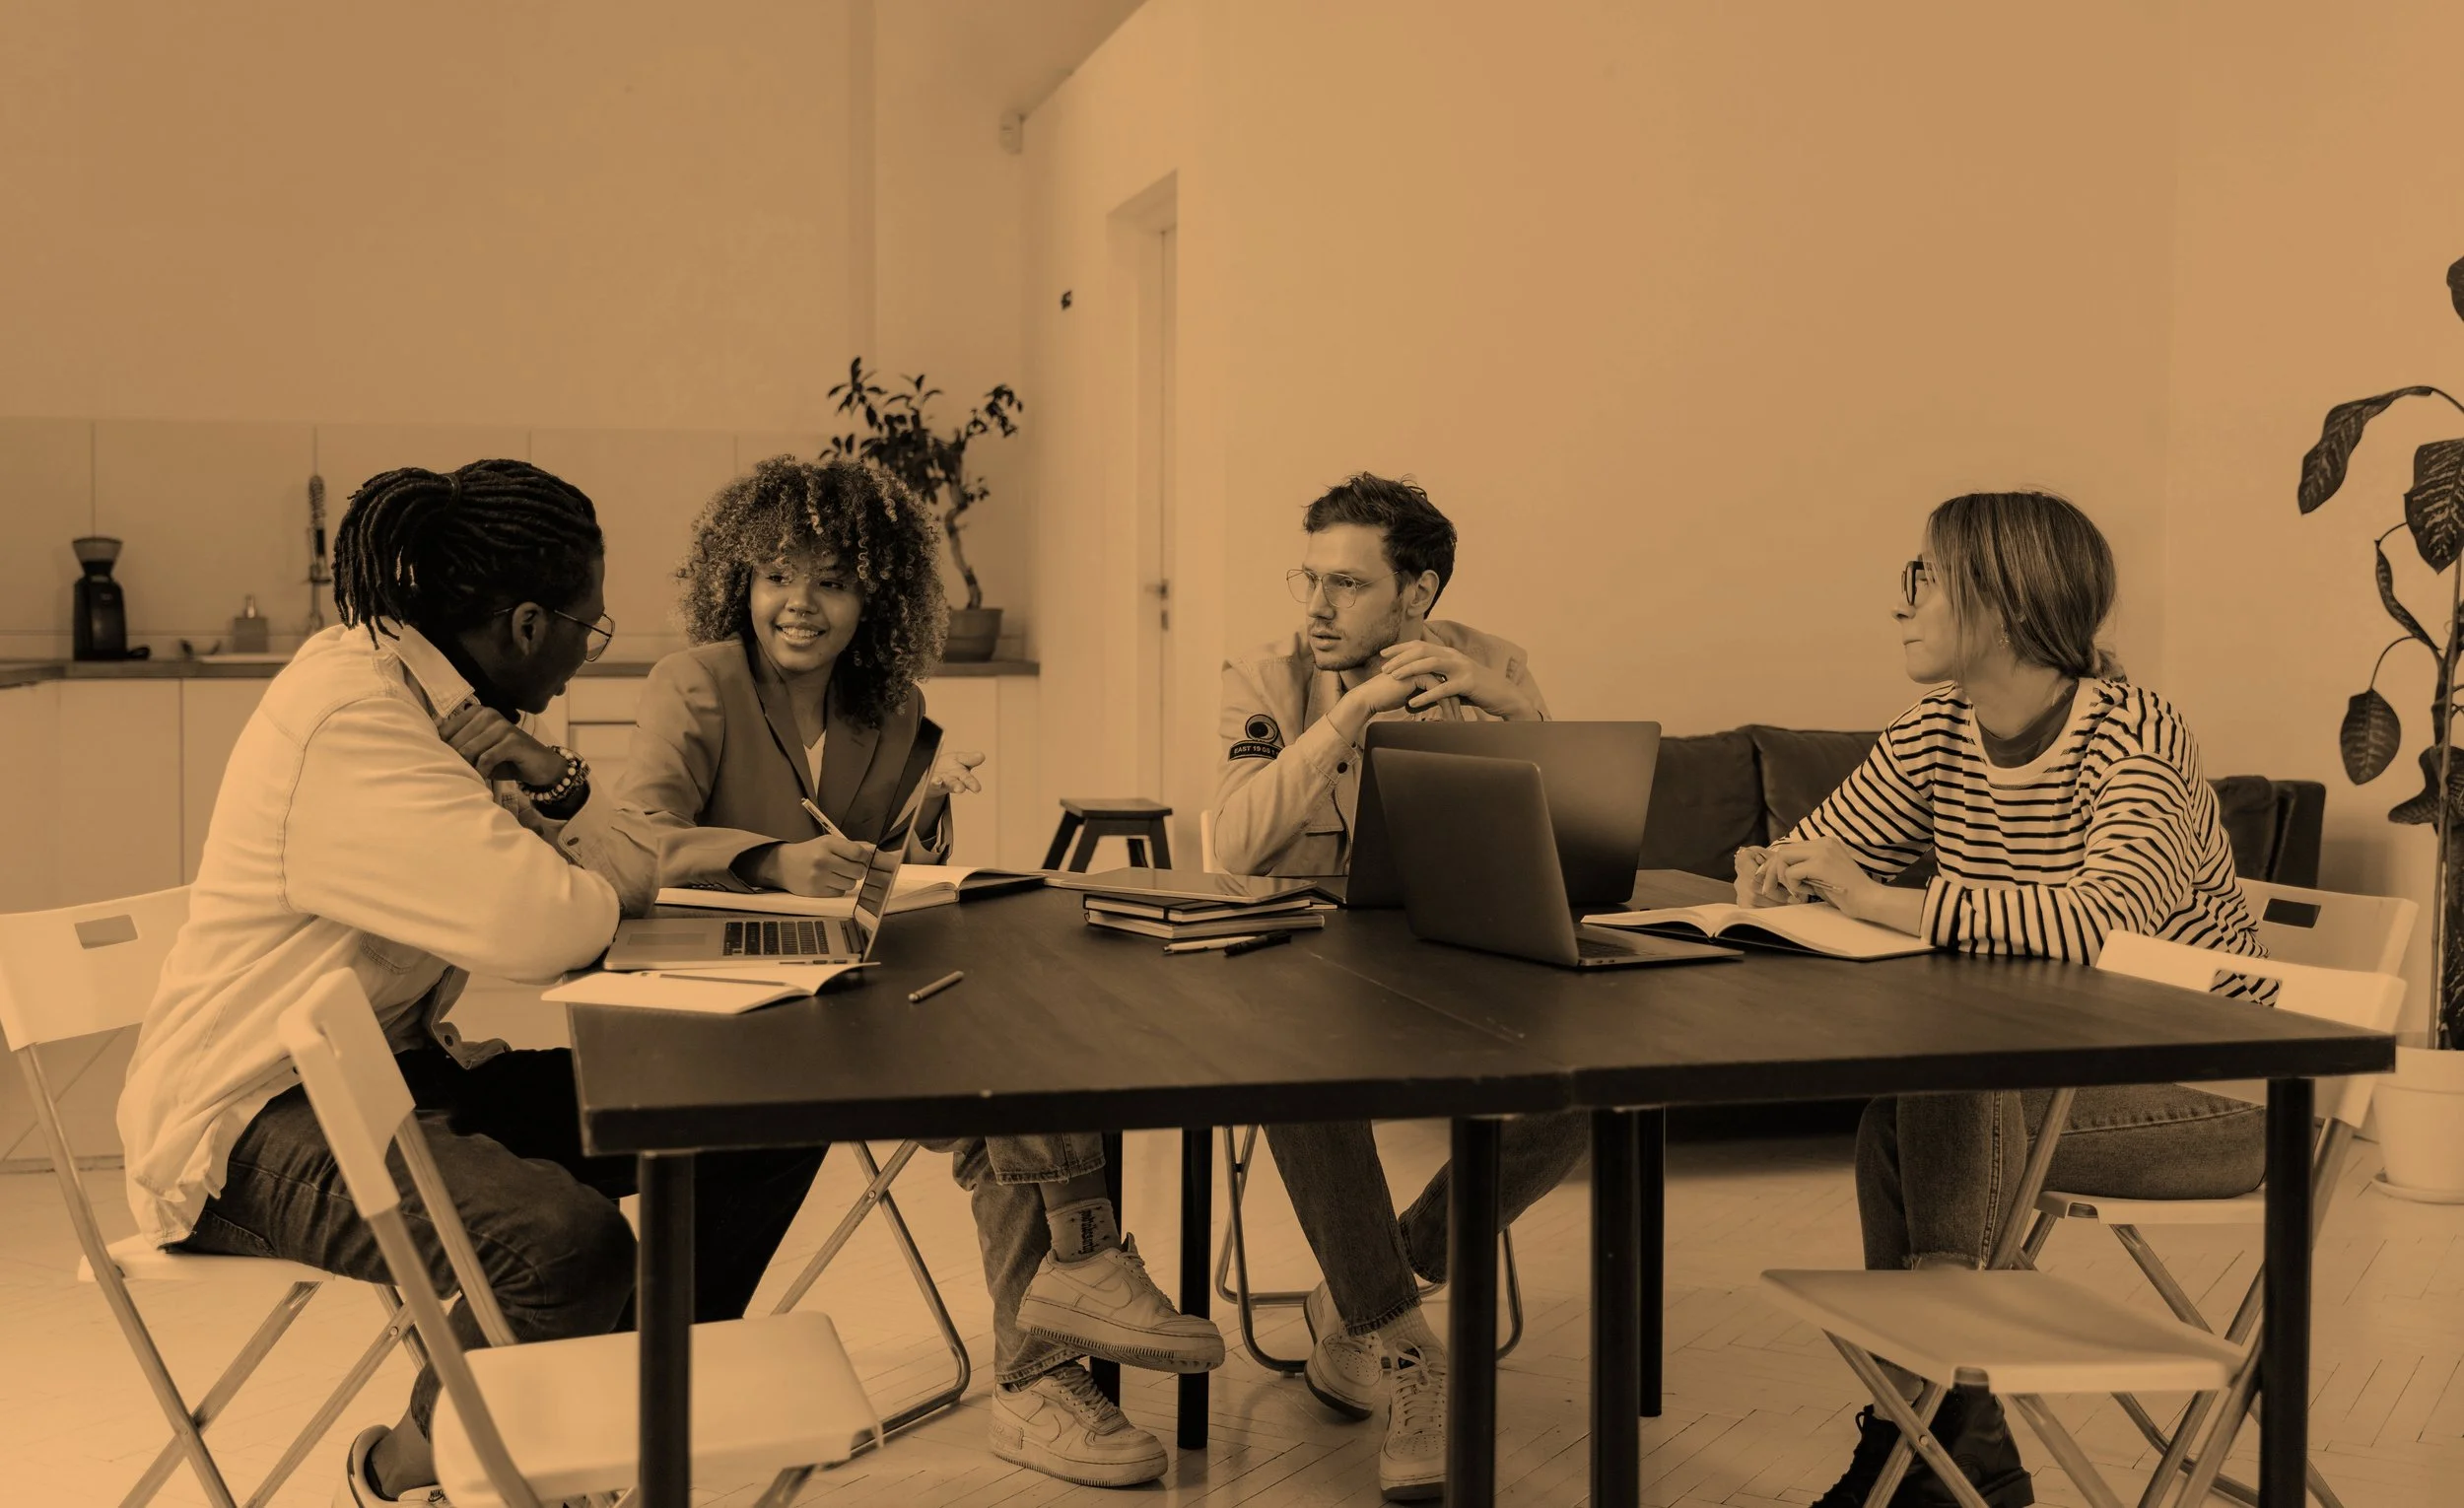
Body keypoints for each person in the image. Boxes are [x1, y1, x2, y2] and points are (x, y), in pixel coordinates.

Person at [112, 459, 827, 1508]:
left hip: (395, 1076)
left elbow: (626, 876)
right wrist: (576, 866)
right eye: (589, 628)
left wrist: (558, 784)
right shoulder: (357, 721)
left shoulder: (450, 705)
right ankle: (409, 1467)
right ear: (527, 625)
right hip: (248, 1125)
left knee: (764, 1114)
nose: (585, 655)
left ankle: (619, 1408)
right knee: (562, 1246)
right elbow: (555, 928)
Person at [621, 455, 1223, 1489]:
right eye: (776, 576)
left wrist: (924, 820)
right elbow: (637, 834)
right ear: (739, 580)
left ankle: (1043, 1366)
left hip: (842, 992)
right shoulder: (698, 682)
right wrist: (768, 862)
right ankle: (1073, 1295)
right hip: (721, 997)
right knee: (1005, 1082)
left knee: (1010, 1077)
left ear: (876, 596)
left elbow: (877, 866)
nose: (799, 604)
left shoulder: (893, 704)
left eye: (832, 581)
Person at [1741, 490, 2268, 1508]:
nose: (1901, 603)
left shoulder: (2136, 735)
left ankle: (1929, 1438)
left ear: (2008, 602)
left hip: (2216, 1092)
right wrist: (1777, 870)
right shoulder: (1940, 725)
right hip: (2056, 1072)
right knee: (1907, 1113)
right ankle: (1951, 1442)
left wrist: (1876, 898)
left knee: (1942, 1094)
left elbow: (2103, 922)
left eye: (1925, 579)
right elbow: (1826, 846)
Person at [1212, 472, 1590, 1501]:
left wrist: (1513, 710)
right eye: (1310, 579)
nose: (1317, 606)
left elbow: (1564, 851)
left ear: (1417, 593)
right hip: (1304, 968)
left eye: (1347, 584)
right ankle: (1401, 1342)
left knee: (1591, 1085)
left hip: (1450, 963)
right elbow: (1233, 844)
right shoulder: (1263, 676)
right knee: (1295, 1067)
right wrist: (1352, 715)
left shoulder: (1493, 664)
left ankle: (1369, 1286)